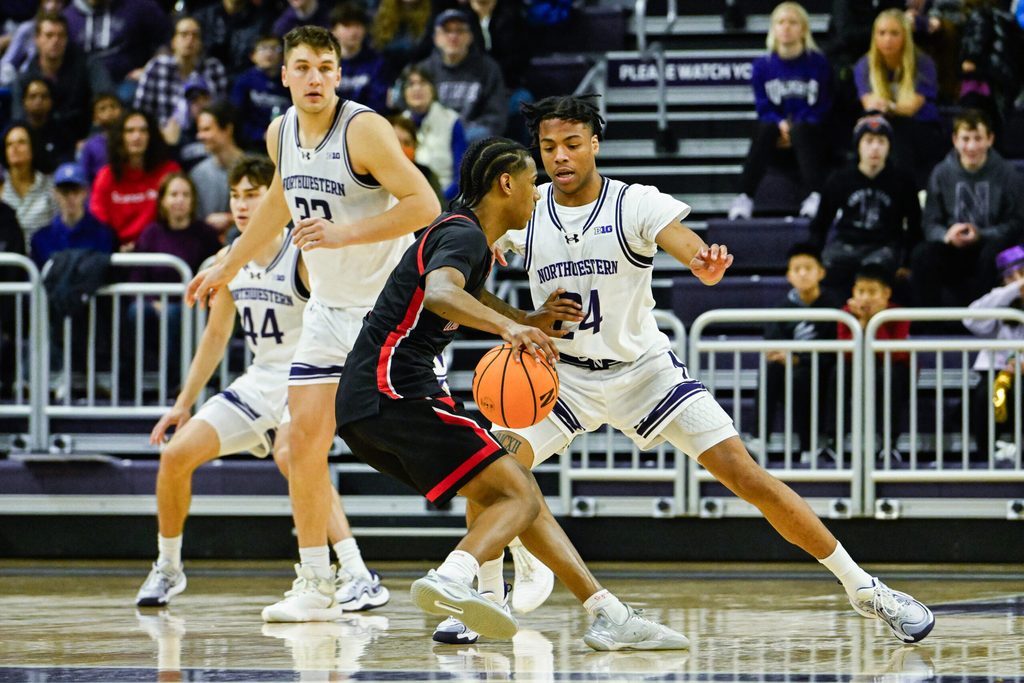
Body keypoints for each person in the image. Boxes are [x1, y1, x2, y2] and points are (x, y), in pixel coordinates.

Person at [490, 94, 935, 645]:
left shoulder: (634, 202)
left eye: (572, 144)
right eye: (549, 147)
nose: (560, 156)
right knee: (490, 467)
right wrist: (489, 261)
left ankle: (866, 588)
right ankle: (485, 597)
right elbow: (472, 248)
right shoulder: (525, 209)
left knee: (748, 478)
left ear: (595, 144)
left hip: (643, 370)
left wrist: (704, 262)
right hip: (565, 377)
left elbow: (689, 247)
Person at [335, 135, 689, 650]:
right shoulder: (466, 235)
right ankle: (454, 578)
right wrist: (510, 332)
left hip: (367, 408)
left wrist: (527, 318)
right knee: (517, 493)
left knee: (514, 490)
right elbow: (441, 293)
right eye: (532, 181)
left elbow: (469, 293)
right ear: (506, 183)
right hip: (394, 392)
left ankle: (607, 612)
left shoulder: (463, 237)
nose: (537, 191)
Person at [186, 25, 440, 623]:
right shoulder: (280, 134)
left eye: (326, 66)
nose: (315, 78)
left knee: (435, 447)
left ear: (339, 72)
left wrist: (344, 232)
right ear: (284, 75)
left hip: (389, 312)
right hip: (327, 312)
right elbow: (278, 204)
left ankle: (494, 556)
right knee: (301, 442)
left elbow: (425, 205)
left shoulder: (365, 129)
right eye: (303, 67)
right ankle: (317, 583)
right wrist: (228, 263)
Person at [135, 156, 389, 611]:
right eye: (235, 195)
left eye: (253, 194)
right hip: (260, 380)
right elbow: (216, 336)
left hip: (308, 375)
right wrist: (183, 403)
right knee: (174, 456)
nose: (241, 204)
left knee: (294, 456)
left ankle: (356, 572)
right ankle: (168, 568)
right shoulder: (226, 260)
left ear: (276, 198)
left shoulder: (303, 254)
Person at [727, 2, 832, 221]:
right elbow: (763, 107)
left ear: (803, 29)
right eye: (780, 22)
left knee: (804, 129)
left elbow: (822, 106)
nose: (786, 27)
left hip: (810, 138)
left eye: (793, 22)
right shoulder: (762, 66)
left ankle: (815, 195)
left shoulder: (819, 63)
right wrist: (781, 125)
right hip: (775, 140)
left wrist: (794, 129)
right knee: (764, 127)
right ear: (773, 28)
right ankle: (745, 197)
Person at [910, 109, 1024, 308]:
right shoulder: (941, 173)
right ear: (955, 140)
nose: (971, 146)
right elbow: (930, 221)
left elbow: (1016, 222)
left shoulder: (1009, 174)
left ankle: (984, 322)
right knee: (923, 255)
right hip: (952, 247)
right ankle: (929, 327)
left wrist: (982, 234)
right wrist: (946, 236)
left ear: (990, 139)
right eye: (965, 139)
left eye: (978, 138)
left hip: (991, 245)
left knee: (993, 254)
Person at [810, 114, 922, 295]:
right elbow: (821, 223)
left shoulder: (902, 180)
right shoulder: (840, 179)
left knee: (875, 270)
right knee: (828, 268)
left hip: (886, 245)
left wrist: (907, 263)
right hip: (847, 244)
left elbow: (915, 226)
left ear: (889, 146)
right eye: (869, 141)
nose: (875, 148)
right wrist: (813, 257)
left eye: (881, 141)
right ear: (858, 145)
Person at [763, 242, 844, 460]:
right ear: (789, 276)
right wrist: (780, 356)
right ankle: (759, 437)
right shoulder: (782, 308)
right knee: (772, 370)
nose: (802, 274)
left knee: (801, 376)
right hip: (788, 370)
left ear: (821, 272)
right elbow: (771, 344)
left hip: (823, 372)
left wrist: (798, 359)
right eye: (796, 269)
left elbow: (835, 350)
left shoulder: (834, 307)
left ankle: (809, 446)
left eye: (808, 268)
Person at [853, 9, 945, 190]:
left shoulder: (924, 63)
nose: (887, 39)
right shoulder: (864, 65)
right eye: (882, 33)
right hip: (888, 127)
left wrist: (888, 106)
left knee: (899, 131)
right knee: (875, 132)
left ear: (905, 36)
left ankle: (904, 192)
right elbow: (870, 105)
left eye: (894, 33)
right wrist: (886, 107)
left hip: (923, 128)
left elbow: (911, 108)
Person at [836, 263, 910, 457]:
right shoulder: (846, 314)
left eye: (872, 292)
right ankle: (833, 440)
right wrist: (859, 323)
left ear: (886, 293)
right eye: (861, 291)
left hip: (892, 369)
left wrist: (873, 323)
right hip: (857, 367)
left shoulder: (899, 314)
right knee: (838, 373)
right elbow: (846, 352)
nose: (865, 298)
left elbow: (894, 354)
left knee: (888, 374)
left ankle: (889, 442)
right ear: (853, 291)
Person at [962, 244, 1024, 463]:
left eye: (1023, 273)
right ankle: (985, 458)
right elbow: (970, 319)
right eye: (1010, 277)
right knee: (986, 392)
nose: (1018, 280)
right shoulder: (1000, 303)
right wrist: (1013, 290)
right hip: (997, 372)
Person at [10, 10, 113, 142]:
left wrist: (92, 140)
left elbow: (106, 100)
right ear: (37, 39)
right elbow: (19, 123)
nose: (55, 41)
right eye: (49, 35)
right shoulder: (25, 79)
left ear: (66, 39)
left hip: (82, 139)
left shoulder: (87, 65)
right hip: (40, 145)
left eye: (61, 35)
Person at [90, 109, 181, 247]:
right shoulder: (106, 176)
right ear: (120, 137)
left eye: (143, 131)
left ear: (151, 135)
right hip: (119, 253)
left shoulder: (169, 171)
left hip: (163, 249)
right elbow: (98, 222)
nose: (137, 136)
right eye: (130, 131)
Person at [418, 9, 507, 141]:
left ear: (470, 37)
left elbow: (495, 116)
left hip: (472, 137)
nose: (453, 36)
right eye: (447, 31)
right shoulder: (423, 70)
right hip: (433, 136)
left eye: (460, 30)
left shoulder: (488, 68)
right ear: (436, 38)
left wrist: (459, 134)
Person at [133, 16, 229, 133]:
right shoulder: (157, 67)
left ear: (201, 43)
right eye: (184, 34)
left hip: (203, 135)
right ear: (173, 41)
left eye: (195, 35)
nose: (190, 40)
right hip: (162, 136)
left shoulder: (214, 68)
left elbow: (223, 113)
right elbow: (141, 111)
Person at [400, 64, 467, 202]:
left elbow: (461, 176)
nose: (417, 88)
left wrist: (440, 200)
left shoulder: (451, 120)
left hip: (448, 200)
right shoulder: (399, 125)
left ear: (433, 89)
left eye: (423, 82)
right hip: (408, 200)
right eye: (411, 84)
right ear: (403, 92)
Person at [30, 162, 115, 268]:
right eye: (64, 192)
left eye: (75, 191)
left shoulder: (103, 235)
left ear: (85, 192)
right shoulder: (41, 239)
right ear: (55, 194)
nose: (70, 197)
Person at [229, 34, 291, 153]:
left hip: (286, 142)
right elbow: (237, 119)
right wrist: (259, 135)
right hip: (253, 144)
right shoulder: (244, 82)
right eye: (263, 48)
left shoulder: (291, 81)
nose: (269, 53)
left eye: (274, 48)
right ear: (253, 56)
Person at [190, 101, 244, 233]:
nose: (200, 136)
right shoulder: (197, 174)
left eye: (206, 129)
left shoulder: (256, 168)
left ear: (227, 130)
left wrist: (230, 219)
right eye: (199, 130)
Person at [1, 124, 56, 242]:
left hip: (43, 256)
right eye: (9, 144)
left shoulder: (50, 186)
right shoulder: (1, 188)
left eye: (21, 142)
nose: (14, 147)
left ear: (33, 148)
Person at [331, 2, 389, 115]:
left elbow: (378, 103)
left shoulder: (377, 63)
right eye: (347, 26)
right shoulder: (324, 64)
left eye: (357, 25)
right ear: (334, 30)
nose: (353, 32)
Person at [389, 115, 444, 205]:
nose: (401, 148)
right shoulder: (371, 174)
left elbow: (440, 211)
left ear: (415, 147)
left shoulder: (427, 175)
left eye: (407, 143)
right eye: (396, 140)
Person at [78, 92, 123, 183]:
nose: (109, 111)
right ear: (95, 118)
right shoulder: (90, 146)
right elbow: (84, 177)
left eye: (113, 106)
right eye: (102, 109)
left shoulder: (131, 139)